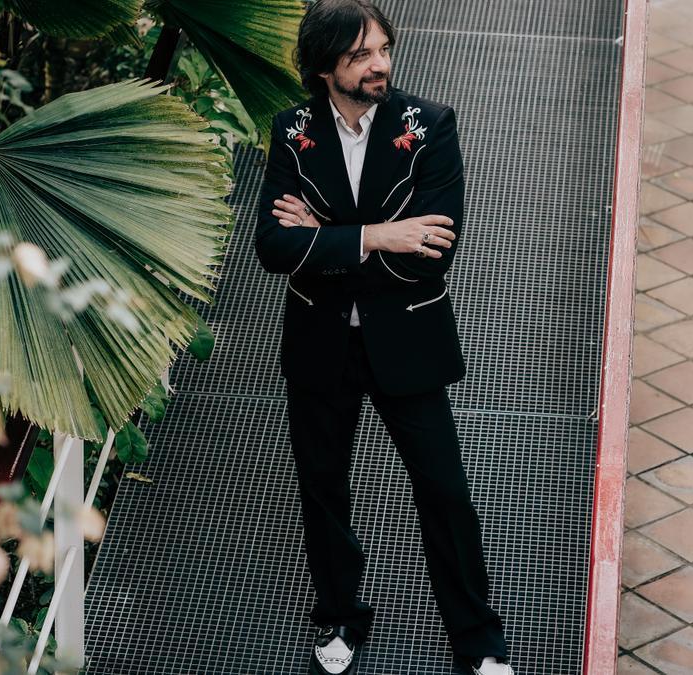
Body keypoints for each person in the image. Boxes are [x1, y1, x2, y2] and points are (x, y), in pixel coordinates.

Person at [253, 1, 512, 674]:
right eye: (360, 55)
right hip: (320, 342)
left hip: (408, 339)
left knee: (445, 492)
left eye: (383, 49)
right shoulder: (291, 133)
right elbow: (273, 247)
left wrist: (326, 238)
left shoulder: (430, 126)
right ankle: (340, 615)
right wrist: (376, 235)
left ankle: (478, 639)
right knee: (323, 490)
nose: (380, 65)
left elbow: (431, 253)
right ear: (324, 68)